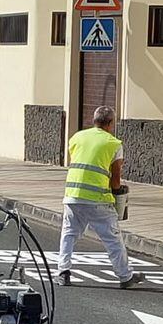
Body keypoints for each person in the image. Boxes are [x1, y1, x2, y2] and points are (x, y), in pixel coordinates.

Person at [56, 106, 144, 290]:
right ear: (111, 123)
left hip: (72, 196)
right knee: (113, 239)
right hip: (98, 199)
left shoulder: (77, 137)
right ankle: (125, 276)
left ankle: (63, 273)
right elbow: (115, 181)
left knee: (69, 234)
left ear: (93, 120)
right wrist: (120, 192)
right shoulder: (113, 144)